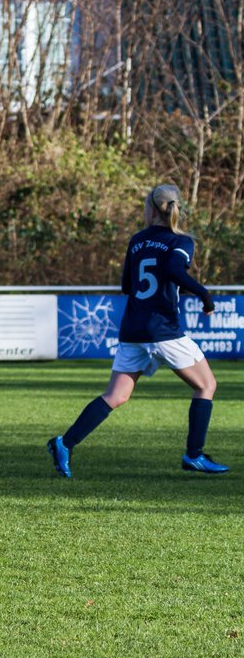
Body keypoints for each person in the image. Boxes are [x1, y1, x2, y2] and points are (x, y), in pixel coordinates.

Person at [48, 184, 227, 477]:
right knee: (206, 385)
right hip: (163, 329)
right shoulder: (180, 241)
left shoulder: (137, 241)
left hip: (133, 329)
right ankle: (194, 455)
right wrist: (204, 294)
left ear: (152, 209)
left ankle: (64, 443)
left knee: (116, 396)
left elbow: (126, 286)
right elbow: (174, 270)